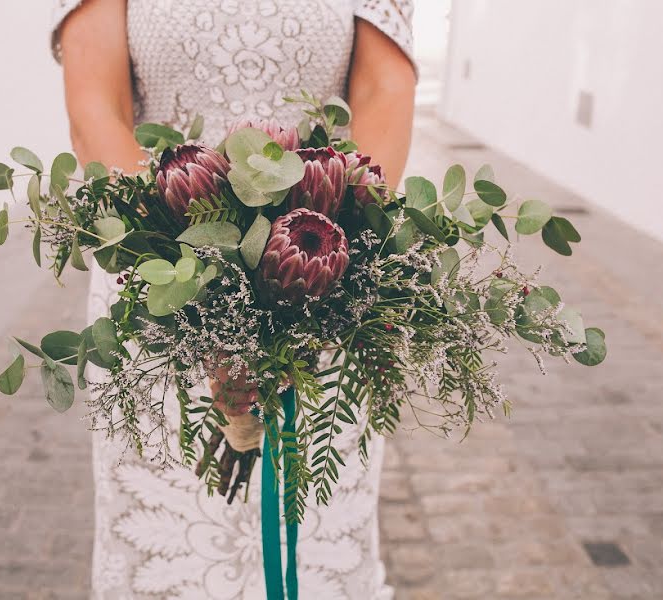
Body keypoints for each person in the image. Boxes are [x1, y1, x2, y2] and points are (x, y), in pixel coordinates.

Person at [52, 1, 417, 597]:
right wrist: (198, 298)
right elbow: (97, 108)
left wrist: (315, 285)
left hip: (323, 277)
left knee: (311, 540)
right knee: (175, 557)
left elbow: (384, 89)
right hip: (158, 289)